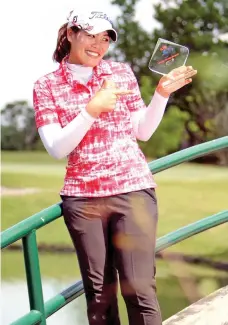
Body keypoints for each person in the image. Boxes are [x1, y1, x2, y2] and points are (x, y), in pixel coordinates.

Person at [33, 9, 197, 325]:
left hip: (133, 190)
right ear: (71, 34)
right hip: (83, 200)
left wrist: (161, 95)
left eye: (105, 38)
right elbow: (56, 147)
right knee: (100, 298)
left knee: (140, 290)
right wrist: (91, 110)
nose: (99, 45)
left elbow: (143, 131)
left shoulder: (120, 73)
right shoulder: (46, 86)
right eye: (91, 36)